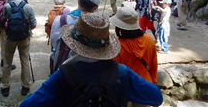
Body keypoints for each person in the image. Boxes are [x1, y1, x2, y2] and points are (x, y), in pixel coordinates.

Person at [20, 13, 163, 107]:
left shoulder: (63, 73)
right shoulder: (122, 72)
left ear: (74, 45)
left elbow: (27, 105)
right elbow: (156, 97)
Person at [0, 0, 37, 97]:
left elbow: (4, 20)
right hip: (24, 38)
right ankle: (25, 86)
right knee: (24, 60)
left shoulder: (7, 6)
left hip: (10, 38)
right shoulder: (28, 7)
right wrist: (26, 29)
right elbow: (34, 24)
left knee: (7, 62)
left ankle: (5, 87)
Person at [110, 7, 158, 84]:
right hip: (147, 84)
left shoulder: (116, 46)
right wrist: (153, 85)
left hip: (128, 88)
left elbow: (113, 73)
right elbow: (153, 66)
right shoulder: (149, 39)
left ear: (118, 27)